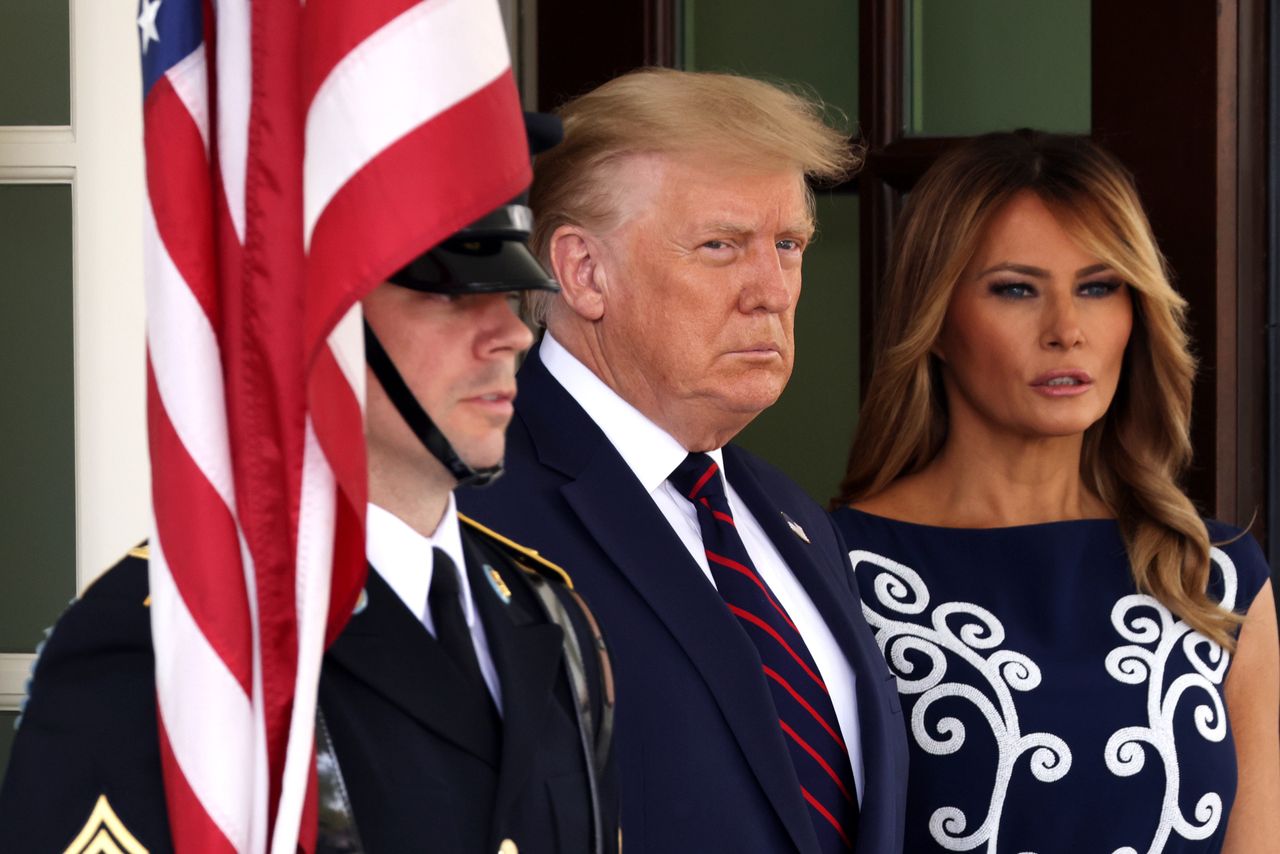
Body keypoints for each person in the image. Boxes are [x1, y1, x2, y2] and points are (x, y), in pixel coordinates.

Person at [0, 148, 620, 852]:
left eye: (508, 295)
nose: (510, 332)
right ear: (310, 325)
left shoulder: (549, 613)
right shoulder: (172, 641)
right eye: (450, 295)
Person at [458, 68, 909, 854]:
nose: (771, 289)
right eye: (720, 246)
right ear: (583, 271)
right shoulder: (467, 505)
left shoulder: (788, 514)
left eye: (789, 245)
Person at [829, 129, 1279, 853]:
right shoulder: (832, 573)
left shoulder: (1214, 575)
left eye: (1099, 287)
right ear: (937, 320)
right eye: (1016, 290)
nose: (1067, 330)